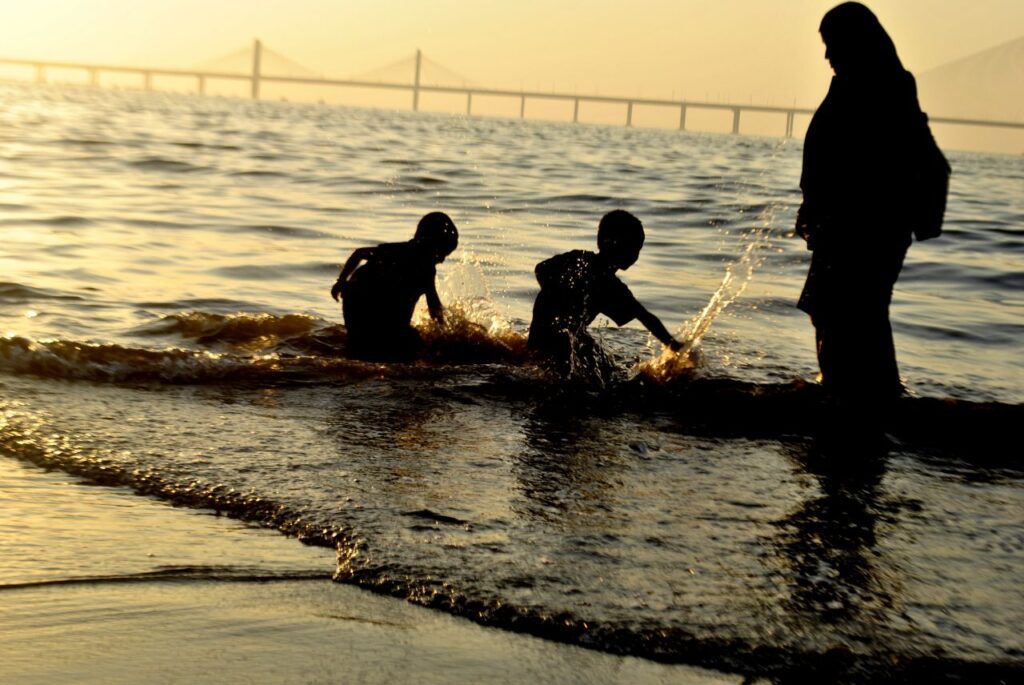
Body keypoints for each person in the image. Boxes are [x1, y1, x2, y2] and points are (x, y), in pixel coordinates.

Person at [796, 2, 949, 419]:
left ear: (855, 43)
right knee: (837, 313)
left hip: (865, 227)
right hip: (842, 223)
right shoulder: (856, 83)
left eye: (832, 45)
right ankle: (854, 396)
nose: (827, 56)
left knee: (854, 314)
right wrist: (811, 204)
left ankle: (864, 402)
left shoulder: (887, 85)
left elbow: (904, 157)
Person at [528, 209, 683, 378]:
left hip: (550, 338)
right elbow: (644, 316)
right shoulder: (603, 280)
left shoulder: (583, 263)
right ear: (611, 243)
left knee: (605, 364)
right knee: (603, 371)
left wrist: (673, 345)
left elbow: (540, 269)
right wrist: (673, 344)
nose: (635, 254)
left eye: (638, 249)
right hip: (556, 341)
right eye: (633, 247)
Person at [331, 212, 458, 360]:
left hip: (357, 305)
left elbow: (359, 253)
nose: (442, 260)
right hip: (365, 303)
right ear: (429, 243)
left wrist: (341, 282)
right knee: (412, 343)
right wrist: (444, 333)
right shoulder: (425, 268)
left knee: (362, 342)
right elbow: (434, 306)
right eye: (441, 254)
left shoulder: (394, 249)